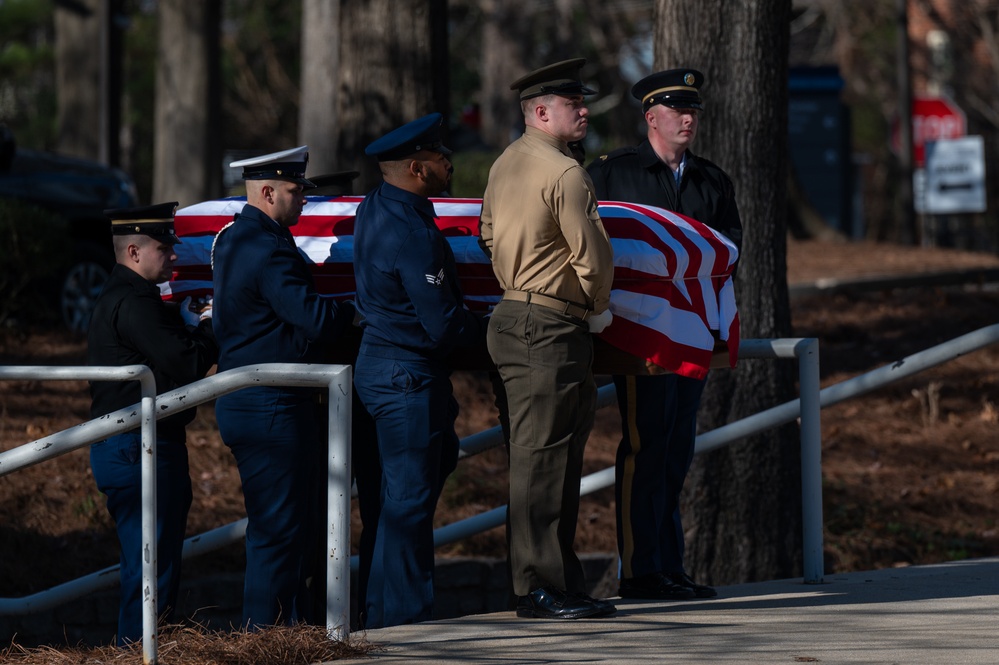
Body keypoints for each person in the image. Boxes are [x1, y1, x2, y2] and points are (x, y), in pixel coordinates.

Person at [587, 68, 743, 600]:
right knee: (645, 445)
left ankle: (668, 566)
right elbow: (595, 242)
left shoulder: (711, 180)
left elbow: (729, 250)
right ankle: (639, 570)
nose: (688, 119)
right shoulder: (612, 173)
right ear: (652, 117)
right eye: (678, 111)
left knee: (677, 448)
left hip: (694, 333)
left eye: (693, 111)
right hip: (642, 336)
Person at [478, 59, 617, 620]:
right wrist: (597, 307)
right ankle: (539, 586)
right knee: (543, 463)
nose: (583, 111)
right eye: (572, 105)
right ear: (540, 112)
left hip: (517, 316)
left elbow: (488, 233)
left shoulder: (505, 164)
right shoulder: (564, 174)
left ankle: (553, 580)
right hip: (551, 325)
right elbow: (594, 257)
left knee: (545, 459)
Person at [211, 146, 356, 628]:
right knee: (279, 532)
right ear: (268, 192)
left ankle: (283, 633)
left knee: (283, 530)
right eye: (295, 192)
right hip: (271, 405)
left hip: (253, 400)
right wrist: (352, 311)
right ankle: (266, 639)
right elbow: (314, 318)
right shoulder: (269, 247)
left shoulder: (233, 239)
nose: (303, 202)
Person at [351, 112, 485, 628]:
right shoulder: (414, 232)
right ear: (416, 167)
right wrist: (497, 339)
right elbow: (442, 324)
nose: (448, 163)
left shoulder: (375, 207)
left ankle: (380, 615)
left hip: (378, 367)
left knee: (389, 504)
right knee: (407, 507)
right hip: (407, 376)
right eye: (438, 158)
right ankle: (405, 626)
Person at [87, 202, 218, 644]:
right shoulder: (135, 303)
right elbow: (188, 361)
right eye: (165, 248)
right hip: (138, 446)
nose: (175, 256)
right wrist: (207, 325)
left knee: (148, 565)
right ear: (134, 251)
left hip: (134, 444)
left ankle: (141, 650)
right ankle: (139, 652)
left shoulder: (127, 298)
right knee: (150, 569)